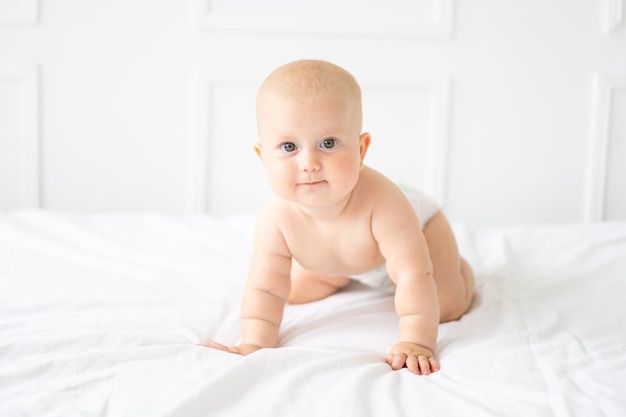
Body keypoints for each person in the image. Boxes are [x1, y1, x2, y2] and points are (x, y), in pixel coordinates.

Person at [206, 59, 474, 375]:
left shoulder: (386, 203)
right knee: (291, 292)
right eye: (289, 146)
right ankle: (338, 272)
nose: (309, 163)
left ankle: (462, 269)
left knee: (446, 303)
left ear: (361, 150)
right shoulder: (275, 218)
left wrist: (416, 342)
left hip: (420, 230)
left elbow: (414, 275)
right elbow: (265, 289)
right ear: (262, 156)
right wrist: (253, 344)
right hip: (344, 255)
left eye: (328, 143)